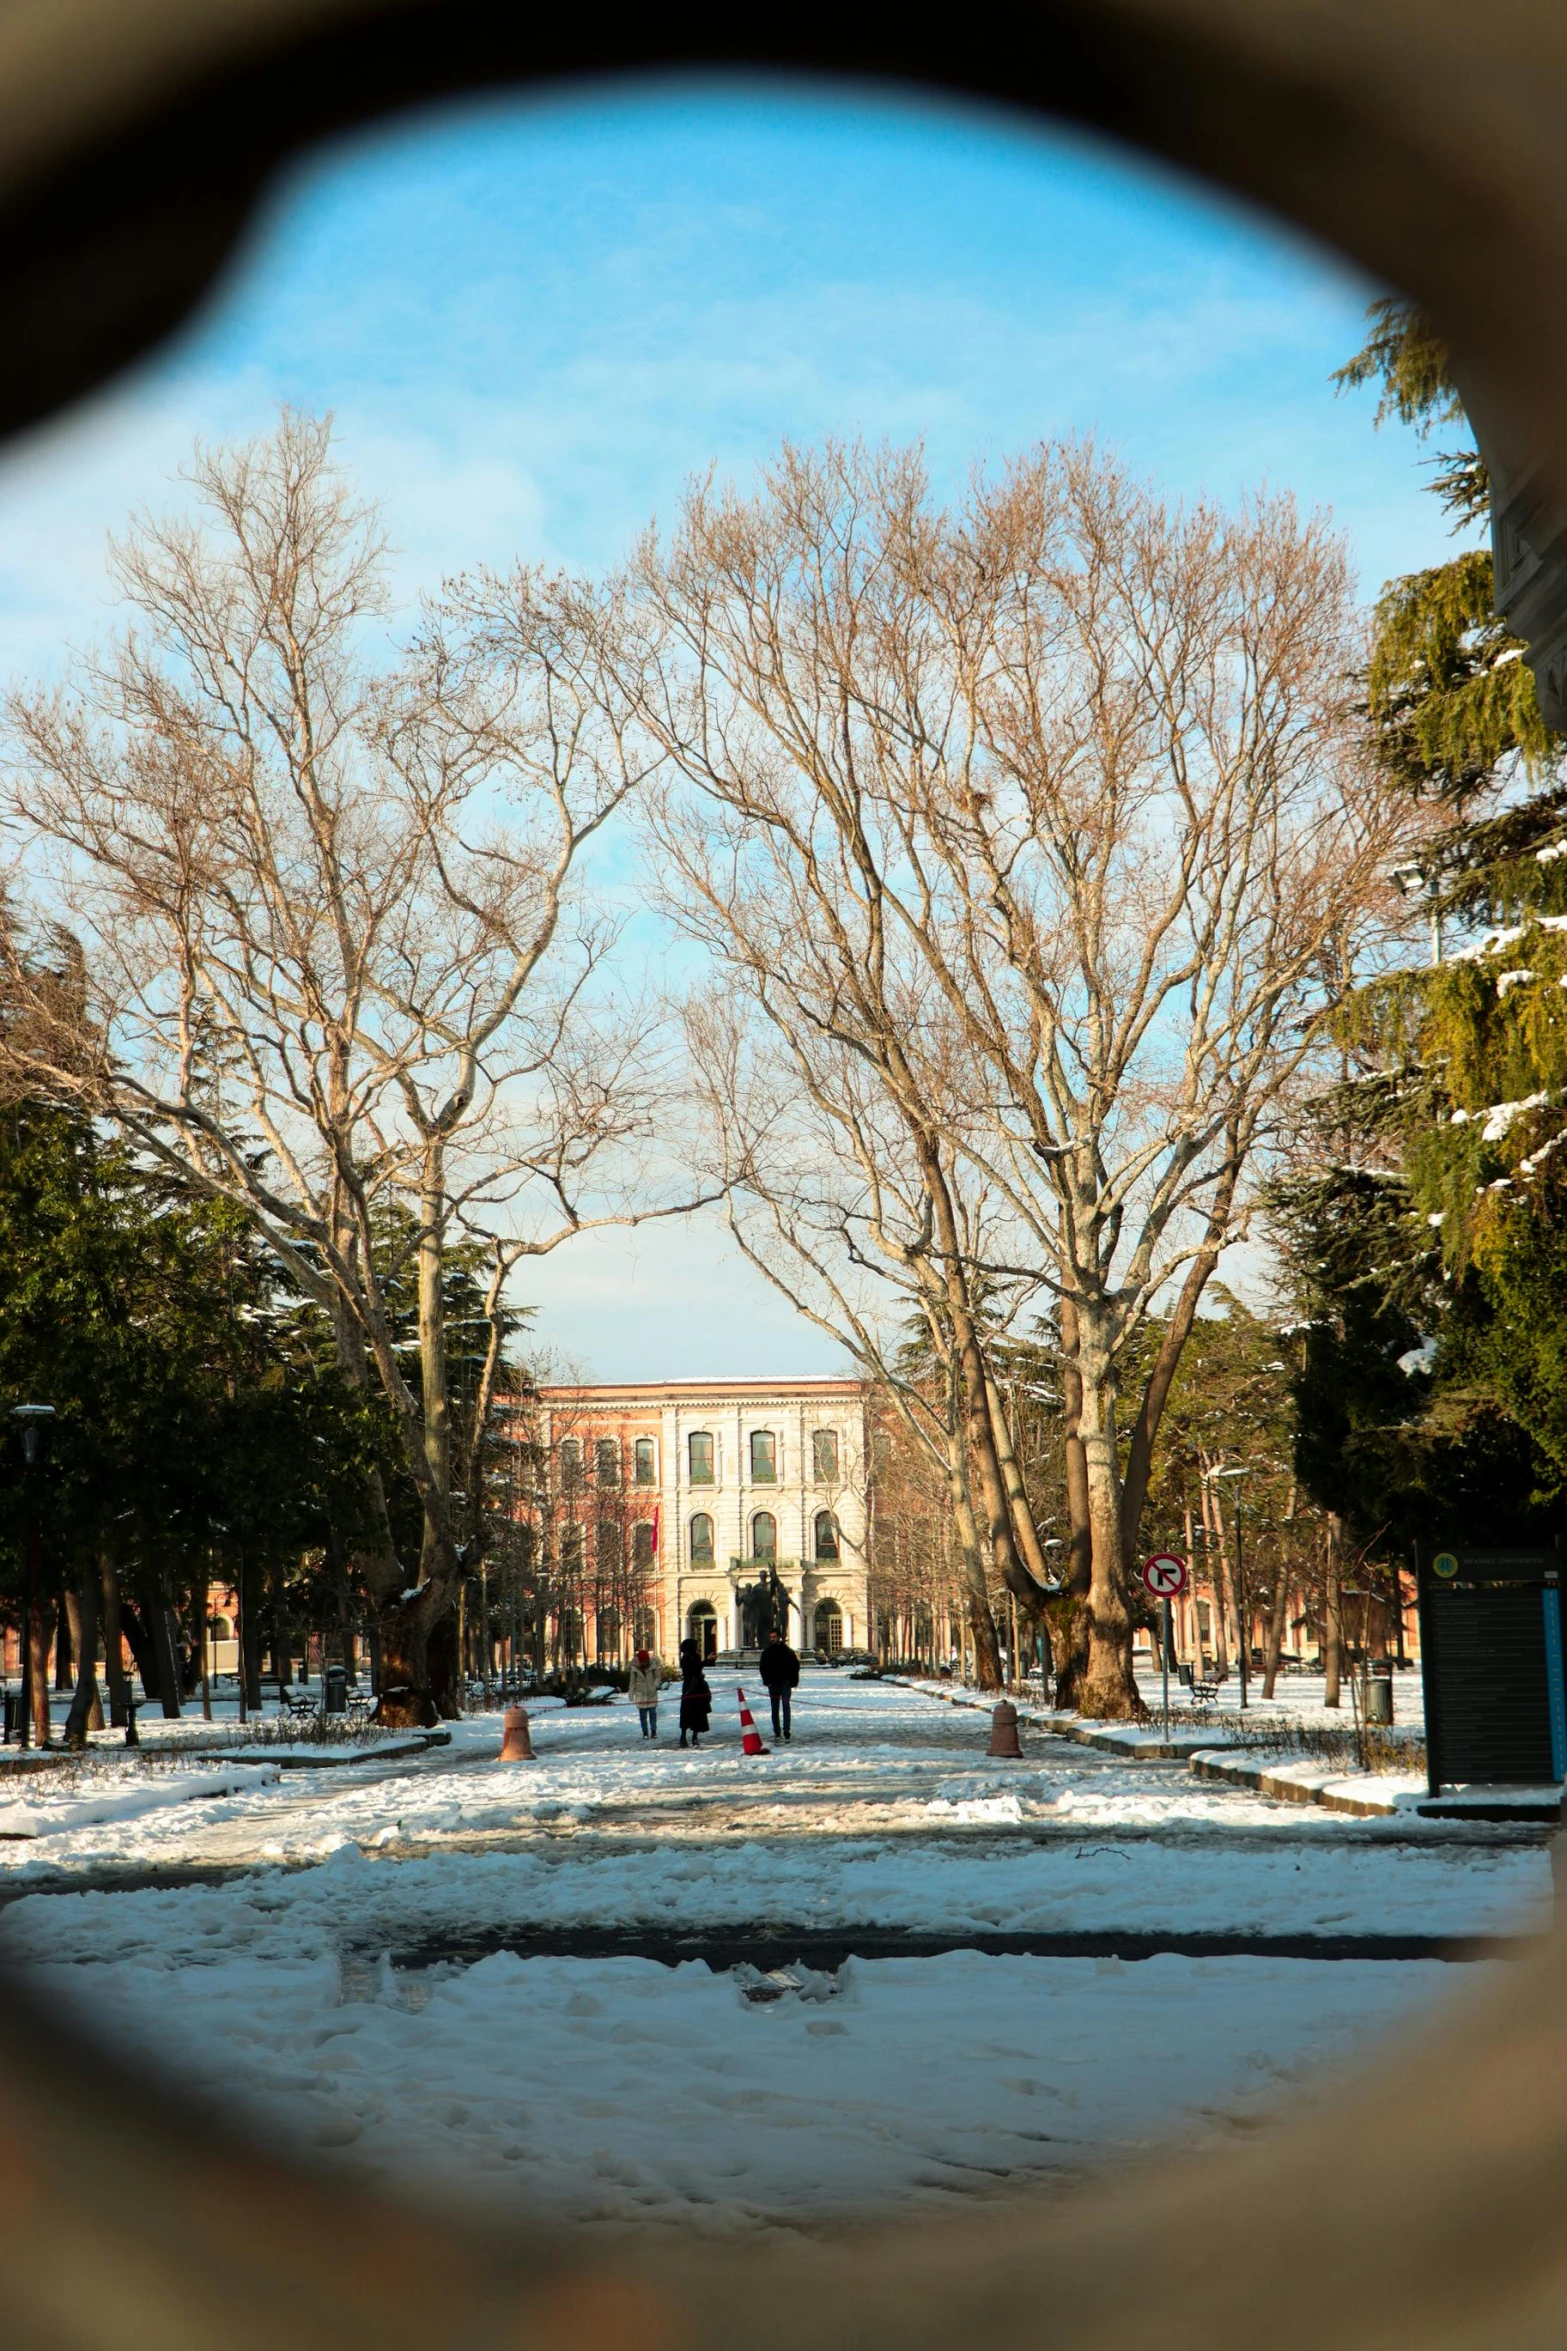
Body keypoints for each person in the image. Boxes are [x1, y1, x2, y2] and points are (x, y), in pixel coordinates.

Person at [759, 1626, 800, 1741]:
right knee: (774, 1709)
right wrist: (767, 1681)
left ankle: (786, 1729)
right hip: (773, 1684)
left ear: (779, 1637)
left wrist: (792, 1681)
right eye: (771, 1637)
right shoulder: (767, 1652)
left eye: (774, 1637)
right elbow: (762, 1668)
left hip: (785, 1683)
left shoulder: (788, 1652)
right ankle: (777, 1730)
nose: (772, 1639)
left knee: (786, 1707)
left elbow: (795, 1666)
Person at [678, 1646, 711, 1749]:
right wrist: (706, 1661)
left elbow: (697, 1668)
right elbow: (694, 1669)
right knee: (686, 1713)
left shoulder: (695, 1657)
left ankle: (694, 1736)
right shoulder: (685, 1660)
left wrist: (705, 1662)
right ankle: (684, 1736)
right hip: (690, 1687)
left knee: (698, 1713)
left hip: (698, 1687)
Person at [627, 1647, 662, 1739]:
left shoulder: (653, 1667)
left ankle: (654, 1731)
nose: (644, 1663)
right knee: (643, 1716)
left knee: (652, 1715)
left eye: (645, 1661)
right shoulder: (635, 1669)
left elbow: (658, 1677)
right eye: (642, 1661)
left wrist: (655, 1686)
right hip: (641, 1695)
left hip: (651, 1694)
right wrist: (631, 1693)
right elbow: (632, 1682)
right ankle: (645, 1732)